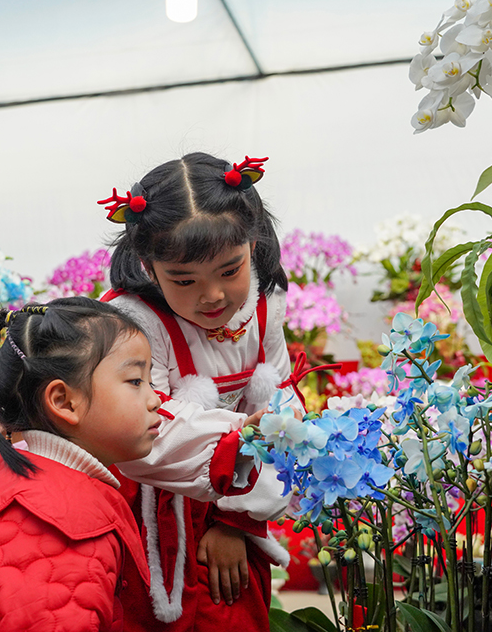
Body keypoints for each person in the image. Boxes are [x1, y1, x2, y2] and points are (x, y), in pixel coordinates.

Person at [0, 298, 260, 632]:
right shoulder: (60, 522)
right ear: (65, 402)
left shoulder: (31, 484)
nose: (156, 399)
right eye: (136, 381)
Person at [100, 152, 304, 632]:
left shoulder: (264, 305)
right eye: (184, 280)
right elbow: (142, 436)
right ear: (150, 268)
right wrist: (240, 450)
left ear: (251, 246)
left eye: (229, 270)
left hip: (235, 494)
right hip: (152, 507)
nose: (212, 296)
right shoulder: (133, 322)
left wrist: (238, 520)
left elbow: (279, 408)